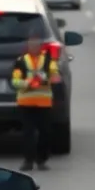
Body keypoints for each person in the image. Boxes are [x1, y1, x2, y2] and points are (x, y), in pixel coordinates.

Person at [10, 28, 61, 171]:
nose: (33, 47)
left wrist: (45, 78)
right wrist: (28, 83)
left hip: (44, 103)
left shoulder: (48, 61)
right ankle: (28, 161)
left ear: (40, 47)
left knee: (45, 133)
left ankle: (42, 160)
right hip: (26, 103)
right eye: (31, 45)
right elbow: (15, 81)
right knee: (28, 133)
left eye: (36, 45)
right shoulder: (20, 61)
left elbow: (56, 77)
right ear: (27, 47)